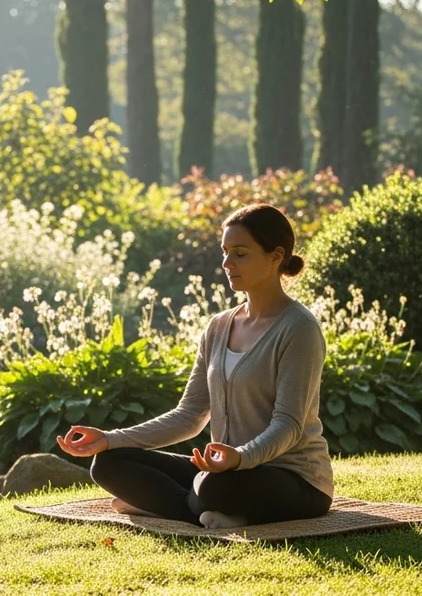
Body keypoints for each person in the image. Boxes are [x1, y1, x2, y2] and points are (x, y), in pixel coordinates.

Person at [55, 203, 334, 528]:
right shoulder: (218, 327)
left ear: (275, 256)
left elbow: (289, 424)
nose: (227, 263)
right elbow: (189, 416)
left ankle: (166, 505)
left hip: (294, 479)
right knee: (107, 463)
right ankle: (201, 511)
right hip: (224, 468)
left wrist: (240, 457)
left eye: (240, 253)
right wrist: (110, 438)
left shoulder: (298, 328)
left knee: (212, 486)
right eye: (225, 252)